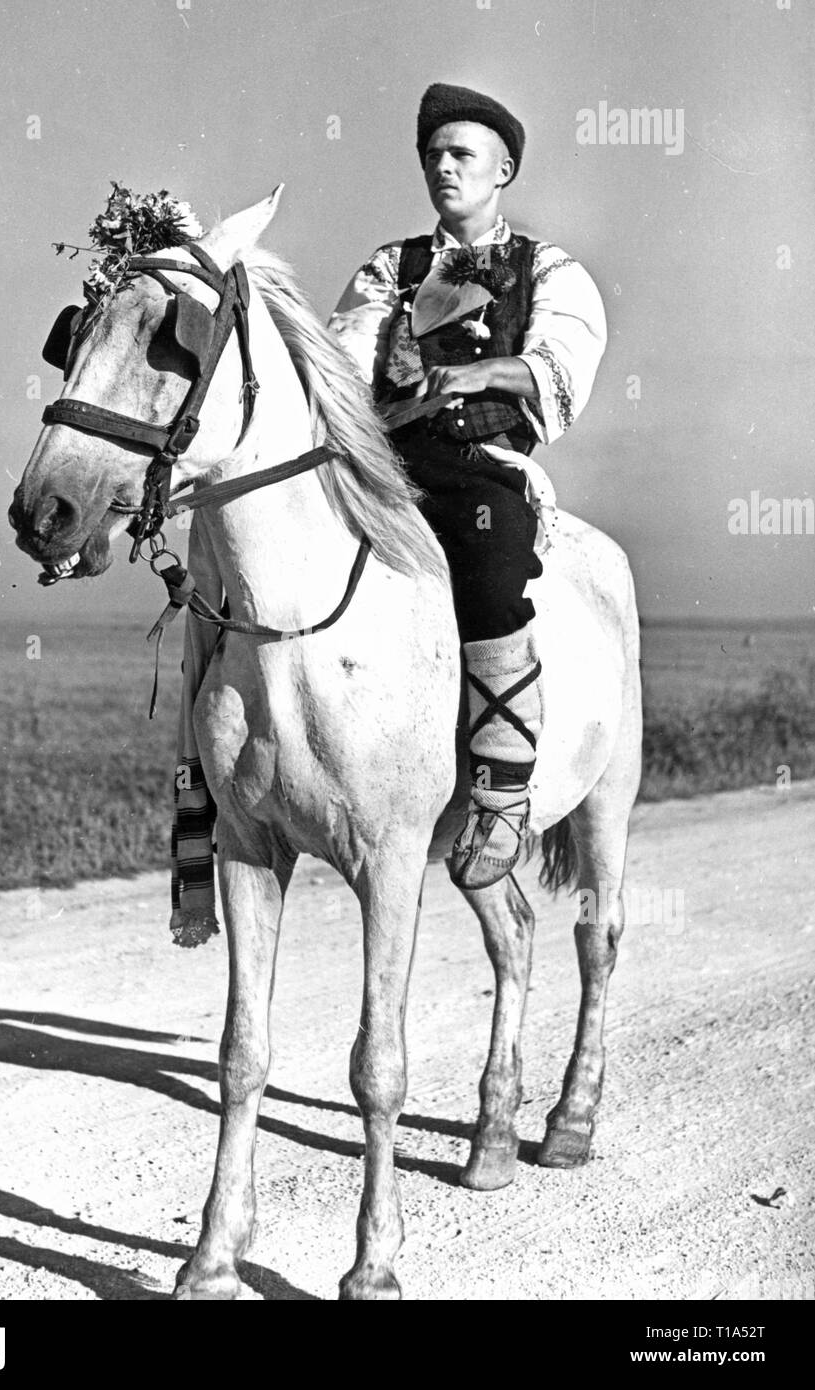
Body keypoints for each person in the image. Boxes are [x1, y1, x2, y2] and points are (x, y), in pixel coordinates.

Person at [328, 81, 607, 888]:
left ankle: (502, 791)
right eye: (431, 156)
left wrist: (476, 374)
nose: (442, 168)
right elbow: (344, 367)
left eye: (459, 154)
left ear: (502, 169)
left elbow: (559, 364)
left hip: (481, 467)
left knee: (491, 561)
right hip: (387, 465)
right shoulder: (388, 268)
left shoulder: (547, 270)